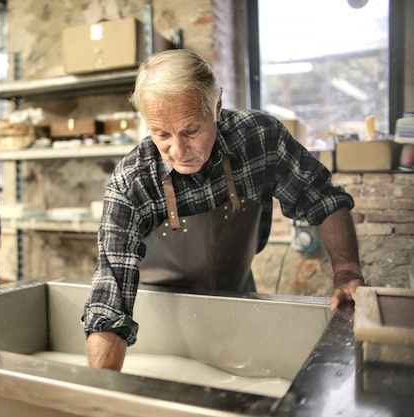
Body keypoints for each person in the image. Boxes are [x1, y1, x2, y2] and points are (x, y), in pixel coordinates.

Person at [82, 49, 366, 370]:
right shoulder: (131, 182)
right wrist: (102, 395)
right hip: (159, 333)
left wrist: (347, 273)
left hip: (238, 308)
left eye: (191, 131)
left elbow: (323, 199)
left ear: (216, 106)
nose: (178, 150)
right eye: (162, 134)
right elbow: (111, 296)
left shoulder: (259, 138)